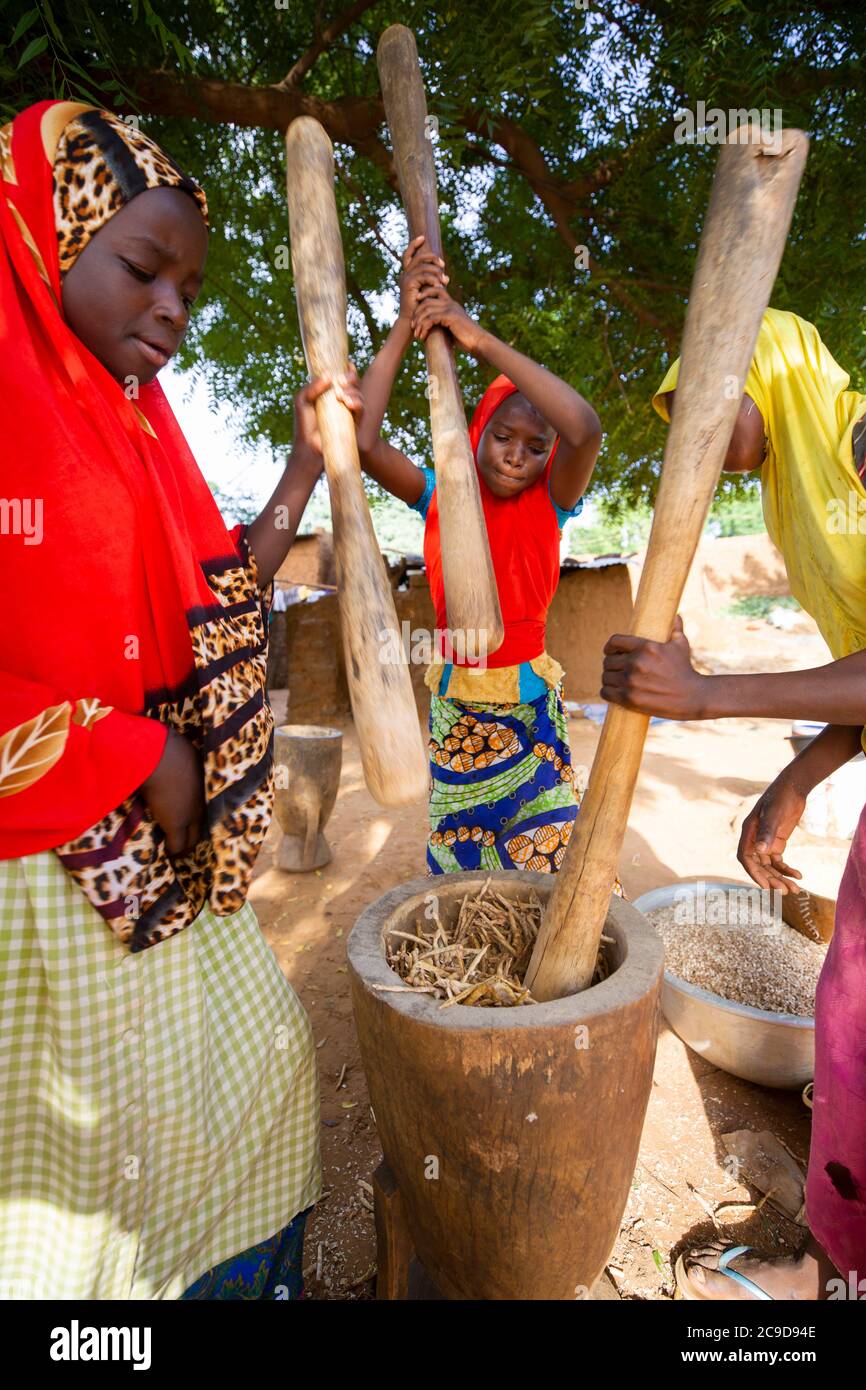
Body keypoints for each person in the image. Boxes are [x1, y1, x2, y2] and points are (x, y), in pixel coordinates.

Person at [0, 100, 360, 1299]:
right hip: (42, 876)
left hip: (169, 851)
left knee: (257, 1087)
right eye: (142, 268)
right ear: (45, 235)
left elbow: (215, 606)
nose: (170, 307)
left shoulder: (138, 427)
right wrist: (124, 748)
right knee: (77, 1200)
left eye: (188, 290)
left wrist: (309, 461)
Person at [601, 307, 866, 1300]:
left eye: (711, 407)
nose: (695, 443)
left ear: (769, 367)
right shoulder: (788, 495)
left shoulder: (856, 442)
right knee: (847, 1021)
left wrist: (707, 696)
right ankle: (836, 1270)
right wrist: (791, 781)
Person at [356, 237, 603, 874]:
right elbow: (361, 441)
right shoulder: (441, 492)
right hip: (457, 703)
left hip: (530, 705)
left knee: (546, 853)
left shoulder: (553, 498)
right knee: (463, 861)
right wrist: (401, 331)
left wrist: (474, 336)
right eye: (502, 435)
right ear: (477, 432)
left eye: (533, 444)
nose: (516, 454)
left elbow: (585, 428)